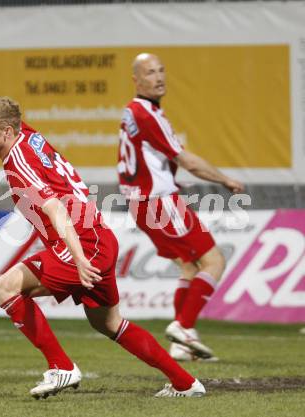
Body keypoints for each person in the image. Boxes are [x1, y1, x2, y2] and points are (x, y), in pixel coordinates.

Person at [0, 18, 206, 398]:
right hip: (98, 236)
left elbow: (56, 210)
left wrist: (78, 258)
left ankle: (61, 367)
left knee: (5, 287)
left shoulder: (19, 165)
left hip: (82, 244)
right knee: (110, 324)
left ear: (5, 132)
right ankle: (186, 383)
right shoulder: (23, 133)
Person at [118, 53, 245, 362]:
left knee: (189, 266)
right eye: (149, 72)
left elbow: (148, 158)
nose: (158, 77)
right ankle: (184, 327)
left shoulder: (133, 112)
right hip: (158, 202)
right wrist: (224, 179)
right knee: (214, 262)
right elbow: (186, 160)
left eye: (161, 71)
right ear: (136, 80)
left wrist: (165, 179)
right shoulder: (148, 114)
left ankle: (181, 345)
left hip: (142, 202)